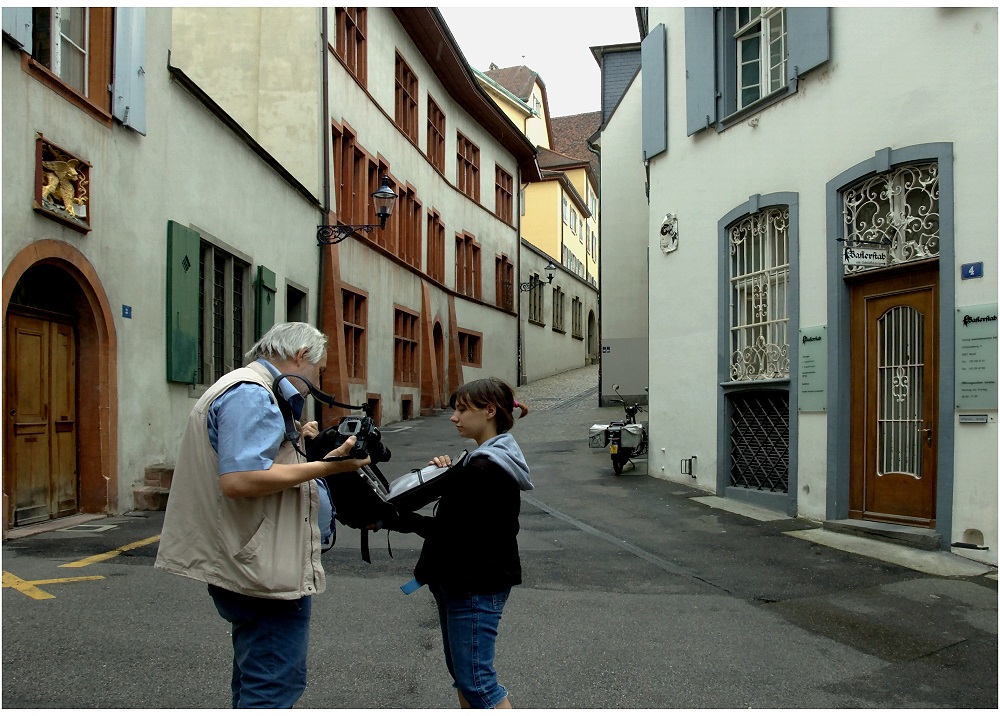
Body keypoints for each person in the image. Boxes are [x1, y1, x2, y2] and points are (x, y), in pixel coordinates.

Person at [154, 322, 371, 708]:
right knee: (272, 688)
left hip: (255, 559)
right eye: (318, 370)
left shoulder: (249, 387)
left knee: (258, 679)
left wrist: (322, 459)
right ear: (302, 356)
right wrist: (328, 469)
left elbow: (264, 465)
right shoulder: (252, 394)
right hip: (262, 568)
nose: (315, 380)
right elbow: (241, 479)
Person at [390, 377, 532, 709]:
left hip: (475, 584)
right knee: (466, 679)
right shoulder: (480, 460)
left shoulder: (485, 468)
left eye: (462, 409)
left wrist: (396, 519)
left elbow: (452, 532)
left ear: (489, 411)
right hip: (463, 581)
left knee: (478, 683)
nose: (454, 417)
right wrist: (446, 473)